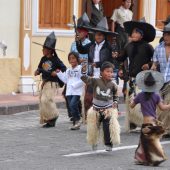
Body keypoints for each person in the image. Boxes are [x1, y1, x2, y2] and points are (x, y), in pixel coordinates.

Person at [112, 18, 156, 131]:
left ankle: (145, 122)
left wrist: (149, 64)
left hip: (144, 78)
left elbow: (155, 61)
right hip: (131, 78)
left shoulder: (148, 47)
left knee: (143, 101)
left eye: (137, 32)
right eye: (133, 32)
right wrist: (116, 56)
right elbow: (122, 58)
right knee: (130, 100)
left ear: (141, 35)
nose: (134, 34)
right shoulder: (128, 46)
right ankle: (132, 122)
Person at [76, 17, 118, 118]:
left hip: (104, 75)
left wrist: (99, 64)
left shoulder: (109, 47)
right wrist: (78, 41)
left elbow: (111, 61)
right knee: (88, 98)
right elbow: (81, 50)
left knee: (105, 98)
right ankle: (90, 118)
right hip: (92, 74)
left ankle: (107, 117)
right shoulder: (91, 45)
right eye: (96, 34)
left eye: (100, 34)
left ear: (104, 36)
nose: (98, 36)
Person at [130, 70, 170, 166]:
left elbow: (131, 106)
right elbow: (162, 108)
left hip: (145, 124)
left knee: (144, 142)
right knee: (153, 141)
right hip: (153, 123)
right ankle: (152, 158)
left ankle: (147, 158)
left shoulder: (140, 95)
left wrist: (132, 99)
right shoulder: (156, 96)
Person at [81, 61, 120, 151]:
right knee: (94, 127)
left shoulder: (113, 84)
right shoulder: (95, 81)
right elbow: (85, 79)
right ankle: (94, 142)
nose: (110, 74)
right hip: (95, 109)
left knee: (107, 127)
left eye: (111, 72)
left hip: (108, 110)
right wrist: (83, 72)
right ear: (101, 72)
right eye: (107, 71)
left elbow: (116, 95)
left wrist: (115, 102)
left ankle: (108, 144)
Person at [34, 32, 66, 128]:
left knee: (46, 99)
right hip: (45, 82)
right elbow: (40, 68)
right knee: (42, 100)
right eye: (43, 48)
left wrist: (56, 72)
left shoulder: (56, 60)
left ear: (50, 50)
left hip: (52, 83)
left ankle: (54, 115)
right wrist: (37, 71)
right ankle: (49, 120)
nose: (43, 50)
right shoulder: (43, 59)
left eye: (45, 48)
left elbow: (64, 69)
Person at [111, 0, 133, 98]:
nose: (129, 4)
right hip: (119, 31)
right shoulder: (117, 11)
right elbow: (113, 22)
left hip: (127, 33)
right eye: (127, 1)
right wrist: (113, 34)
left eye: (130, 2)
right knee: (119, 51)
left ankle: (125, 69)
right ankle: (118, 68)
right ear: (123, 2)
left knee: (126, 51)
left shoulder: (130, 13)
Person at [151, 22, 170, 137]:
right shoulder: (158, 48)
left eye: (169, 35)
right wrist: (152, 67)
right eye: (165, 34)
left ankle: (164, 129)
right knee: (162, 105)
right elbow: (154, 63)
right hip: (161, 81)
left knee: (167, 103)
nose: (166, 37)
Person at [56, 52, 83, 130]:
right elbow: (65, 80)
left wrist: (75, 85)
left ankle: (78, 118)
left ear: (77, 59)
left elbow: (83, 79)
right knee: (71, 107)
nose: (72, 60)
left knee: (72, 105)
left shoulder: (80, 68)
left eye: (73, 58)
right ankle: (75, 123)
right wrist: (59, 73)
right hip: (69, 91)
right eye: (70, 58)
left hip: (77, 91)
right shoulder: (68, 70)